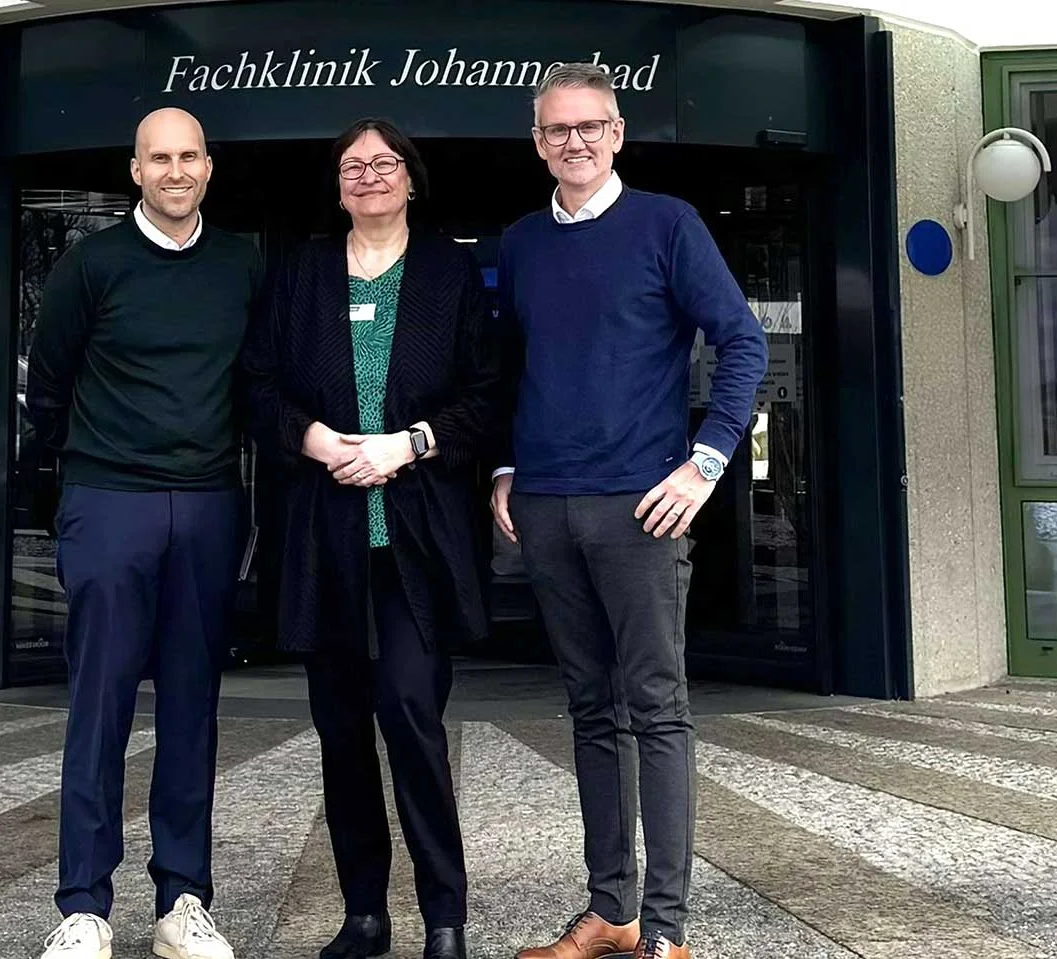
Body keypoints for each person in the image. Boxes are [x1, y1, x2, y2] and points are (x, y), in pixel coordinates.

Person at [490, 64, 769, 959]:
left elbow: (743, 341)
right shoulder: (522, 243)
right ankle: (611, 909)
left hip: (643, 509)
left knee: (656, 707)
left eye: (590, 126)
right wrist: (506, 468)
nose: (574, 141)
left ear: (617, 134)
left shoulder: (667, 224)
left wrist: (705, 464)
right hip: (545, 505)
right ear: (539, 143)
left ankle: (668, 931)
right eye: (557, 129)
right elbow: (509, 366)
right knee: (589, 708)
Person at [241, 117, 499, 959]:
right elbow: (258, 385)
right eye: (353, 165)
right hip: (326, 538)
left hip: (416, 539)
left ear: (411, 178)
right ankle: (364, 914)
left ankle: (445, 917)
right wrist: (316, 439)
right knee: (341, 726)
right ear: (338, 184)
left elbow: (484, 394)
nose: (370, 175)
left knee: (411, 712)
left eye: (385, 163)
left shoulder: (450, 272)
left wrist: (409, 444)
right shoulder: (301, 273)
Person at [28, 106, 261, 959]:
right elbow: (49, 386)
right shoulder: (91, 264)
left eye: (189, 156)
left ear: (209, 166)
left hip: (207, 503)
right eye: (159, 158)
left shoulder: (241, 263)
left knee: (193, 708)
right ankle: (83, 906)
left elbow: (255, 383)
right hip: (109, 500)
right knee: (100, 704)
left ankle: (182, 902)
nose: (175, 171)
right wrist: (74, 483)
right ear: (135, 170)